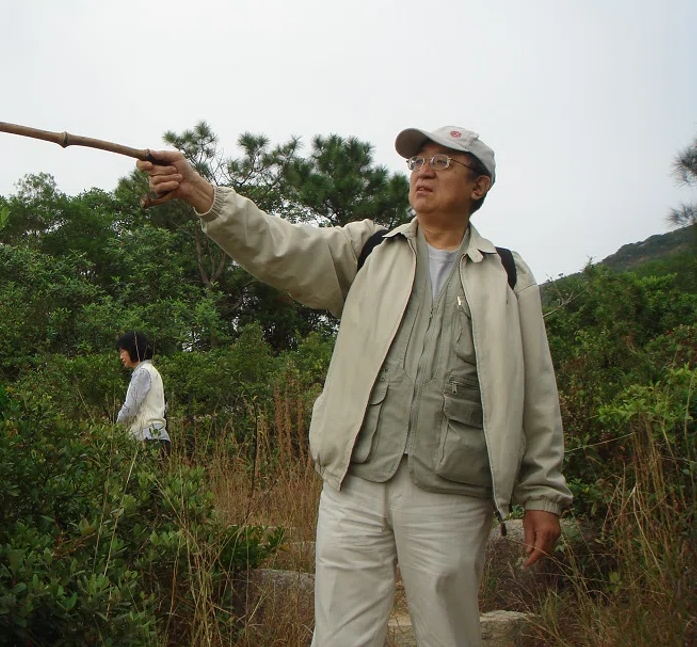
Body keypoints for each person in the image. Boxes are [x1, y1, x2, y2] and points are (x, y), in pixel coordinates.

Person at [138, 126, 572, 646]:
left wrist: (543, 491)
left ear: (478, 187)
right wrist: (199, 191)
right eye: (417, 163)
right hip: (354, 482)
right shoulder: (370, 250)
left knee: (450, 636)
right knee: (340, 636)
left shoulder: (505, 275)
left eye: (441, 162)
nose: (423, 171)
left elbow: (536, 390)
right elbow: (280, 244)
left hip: (452, 489)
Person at [115, 330, 171, 457]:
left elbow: (130, 407)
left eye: (123, 351)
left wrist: (116, 430)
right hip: (158, 437)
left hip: (147, 438)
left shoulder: (142, 373)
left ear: (132, 350)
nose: (121, 357)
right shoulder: (152, 371)